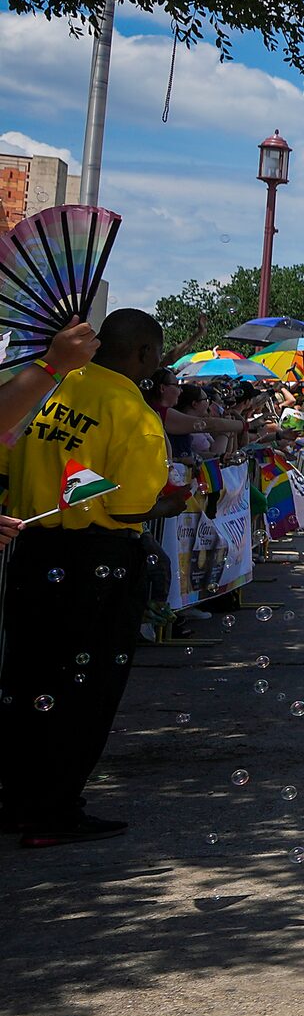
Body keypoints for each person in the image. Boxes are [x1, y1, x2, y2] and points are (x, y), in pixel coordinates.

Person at [0, 310, 172, 848]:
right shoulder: (132, 410)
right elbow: (128, 507)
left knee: (26, 680)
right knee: (82, 693)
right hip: (95, 562)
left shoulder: (44, 389)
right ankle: (52, 810)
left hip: (29, 550)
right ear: (143, 355)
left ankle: (15, 798)